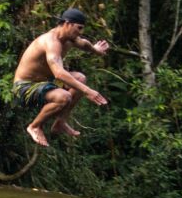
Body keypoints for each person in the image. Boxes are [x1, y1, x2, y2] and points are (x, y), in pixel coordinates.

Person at [11, 8, 109, 146]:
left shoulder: (70, 38)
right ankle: (34, 126)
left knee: (80, 78)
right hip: (24, 87)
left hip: (45, 83)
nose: (80, 32)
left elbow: (84, 44)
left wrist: (96, 50)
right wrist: (88, 91)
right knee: (64, 97)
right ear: (67, 23)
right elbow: (59, 73)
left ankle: (60, 122)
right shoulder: (51, 42)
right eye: (78, 28)